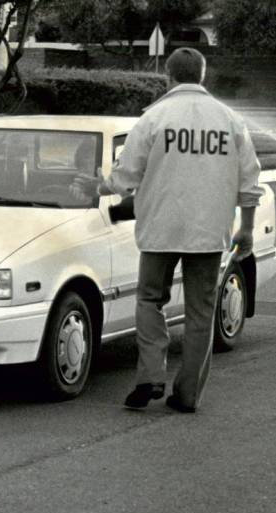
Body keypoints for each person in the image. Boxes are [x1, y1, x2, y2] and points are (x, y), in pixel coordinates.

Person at [71, 47, 263, 413]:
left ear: (169, 77)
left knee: (149, 300)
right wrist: (248, 228)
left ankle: (150, 377)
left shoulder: (153, 118)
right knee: (201, 312)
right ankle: (188, 395)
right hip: (208, 232)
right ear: (203, 76)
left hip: (160, 228)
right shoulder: (230, 121)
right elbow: (249, 183)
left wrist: (99, 187)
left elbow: (126, 176)